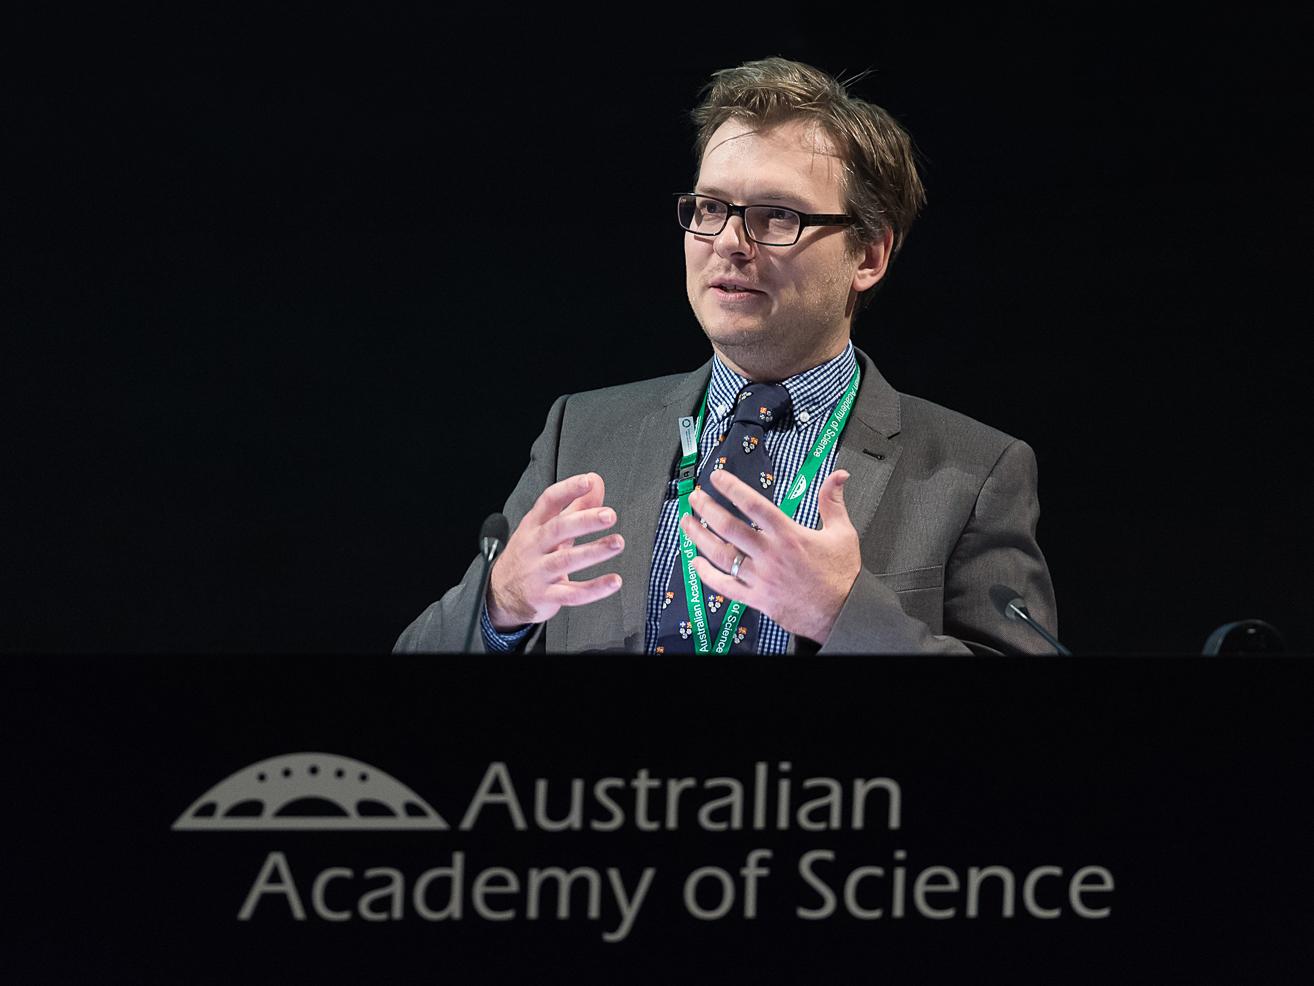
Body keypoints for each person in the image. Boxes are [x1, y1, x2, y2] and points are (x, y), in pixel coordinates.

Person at [396, 57, 1057, 655]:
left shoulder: (974, 473)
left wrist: (842, 615)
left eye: (776, 216)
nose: (729, 242)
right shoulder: (583, 436)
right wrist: (501, 608)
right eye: (710, 208)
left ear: (870, 254)